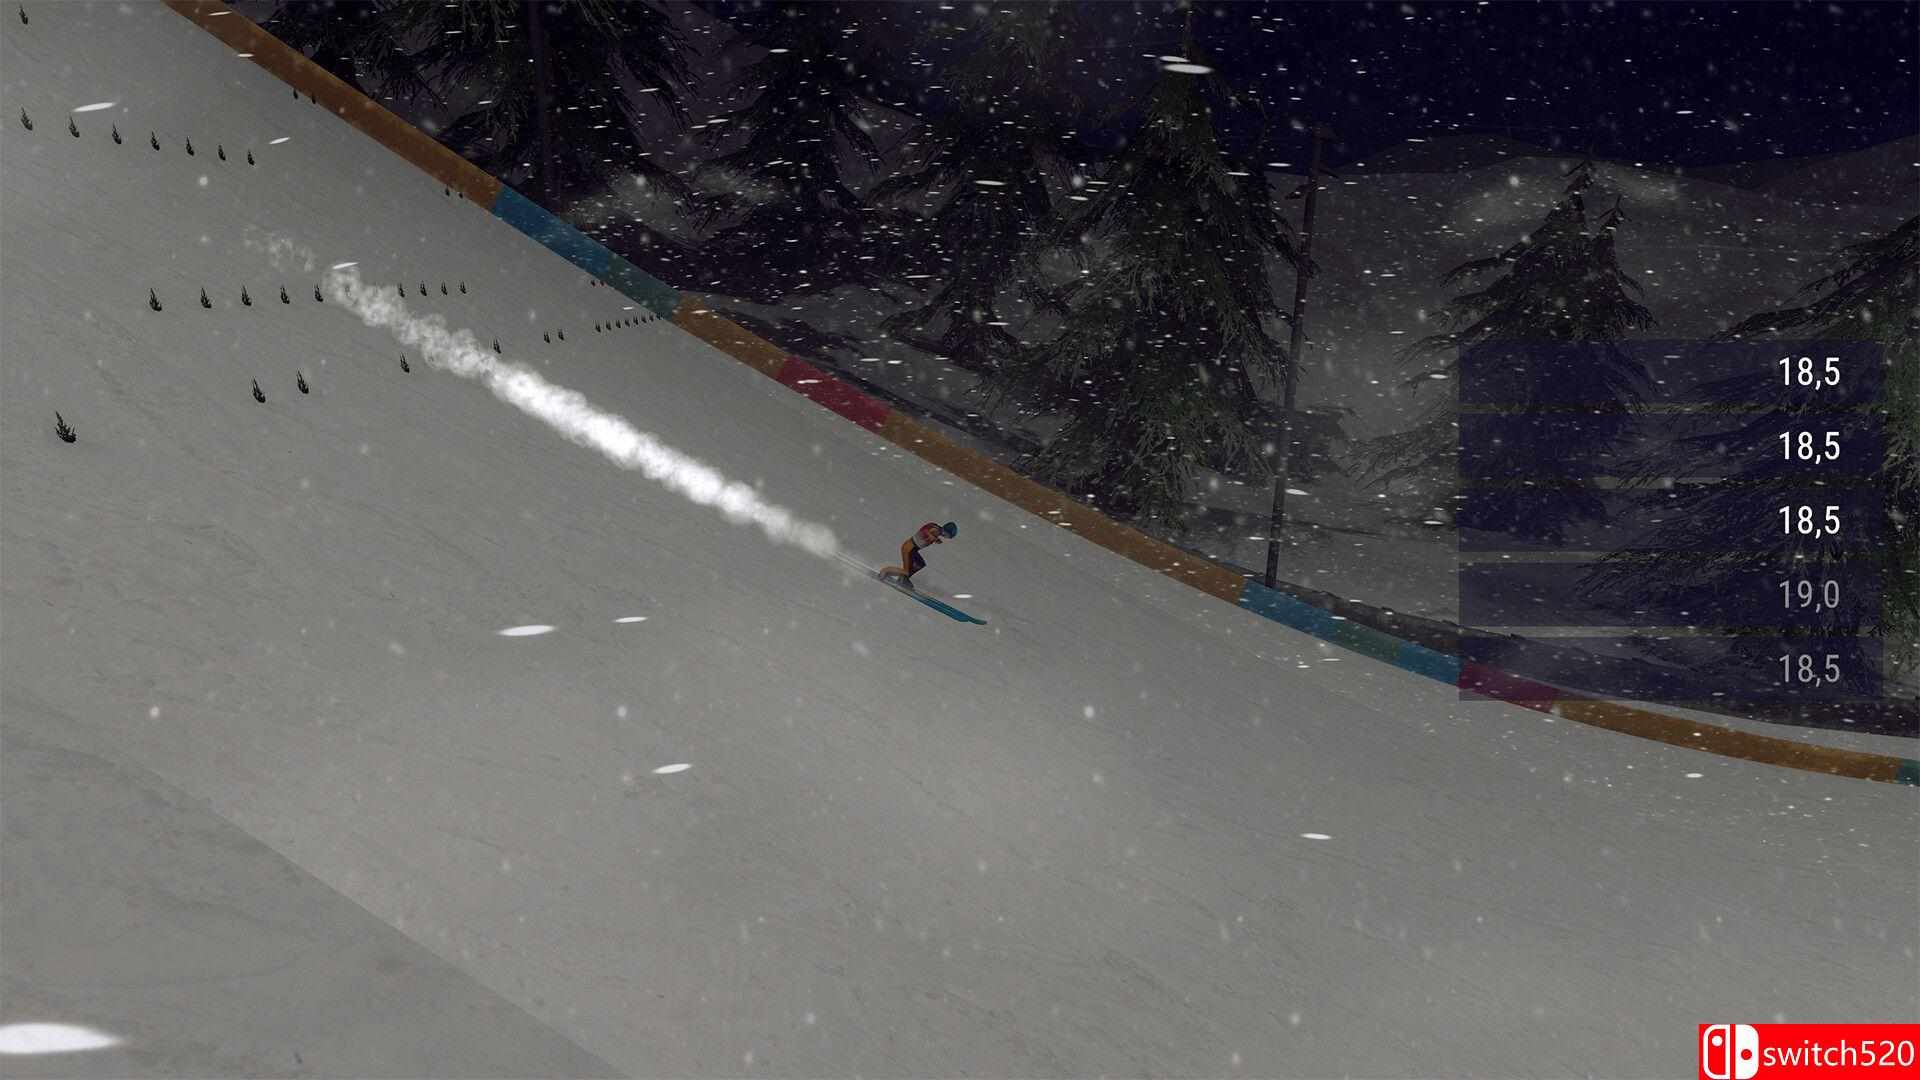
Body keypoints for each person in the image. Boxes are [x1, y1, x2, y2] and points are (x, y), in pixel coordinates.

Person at [881, 521, 957, 585]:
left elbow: (927, 530)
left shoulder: (936, 529)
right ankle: (885, 571)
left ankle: (903, 578)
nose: (946, 537)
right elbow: (925, 531)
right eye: (948, 536)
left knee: (920, 564)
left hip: (912, 549)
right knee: (906, 571)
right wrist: (931, 536)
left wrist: (934, 538)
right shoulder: (936, 530)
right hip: (909, 549)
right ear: (945, 531)